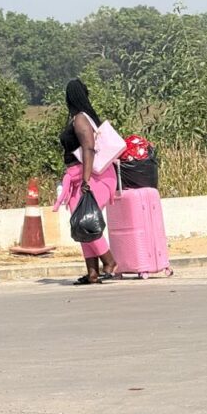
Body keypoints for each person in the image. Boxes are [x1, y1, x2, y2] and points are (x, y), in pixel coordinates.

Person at [58, 78, 119, 285]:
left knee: (85, 222)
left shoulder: (81, 120)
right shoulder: (80, 118)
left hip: (93, 178)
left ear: (70, 97)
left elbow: (89, 147)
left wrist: (85, 181)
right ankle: (92, 273)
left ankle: (109, 261)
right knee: (80, 224)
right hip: (81, 178)